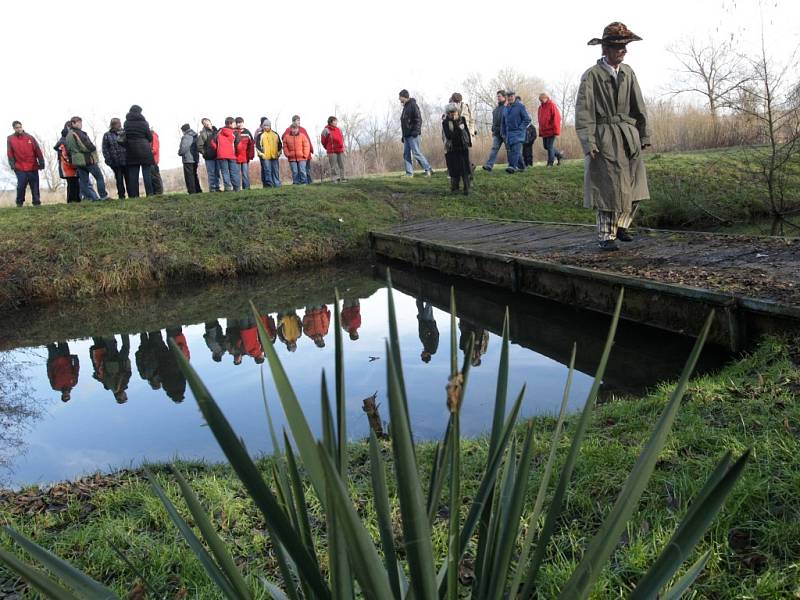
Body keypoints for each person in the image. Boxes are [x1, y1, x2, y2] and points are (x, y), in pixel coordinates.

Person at [576, 22, 650, 251]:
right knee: (607, 187)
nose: (624, 51)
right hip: (604, 136)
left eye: (625, 46)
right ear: (605, 49)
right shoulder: (592, 76)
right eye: (619, 47)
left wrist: (644, 135)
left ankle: (622, 225)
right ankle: (606, 236)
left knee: (636, 185)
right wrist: (589, 143)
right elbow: (584, 111)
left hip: (629, 136)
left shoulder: (628, 73)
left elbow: (639, 106)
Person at [65, 117, 109, 200]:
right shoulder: (78, 133)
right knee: (99, 177)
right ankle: (103, 196)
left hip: (77, 161)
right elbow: (84, 146)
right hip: (86, 159)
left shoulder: (68, 135)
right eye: (78, 122)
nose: (80, 124)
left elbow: (68, 150)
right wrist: (93, 148)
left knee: (83, 181)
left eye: (80, 122)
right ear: (73, 123)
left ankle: (89, 198)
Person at [7, 121, 44, 206]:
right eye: (17, 127)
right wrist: (12, 165)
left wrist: (41, 162)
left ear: (22, 127)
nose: (19, 129)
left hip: (32, 166)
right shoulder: (10, 139)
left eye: (20, 127)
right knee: (21, 186)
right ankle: (19, 203)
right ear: (14, 128)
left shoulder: (30, 137)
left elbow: (37, 150)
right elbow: (10, 153)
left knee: (34, 186)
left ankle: (36, 202)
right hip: (20, 167)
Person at [122, 105, 155, 197]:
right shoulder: (144, 123)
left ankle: (134, 195)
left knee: (133, 175)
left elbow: (125, 137)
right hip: (144, 150)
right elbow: (150, 137)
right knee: (146, 173)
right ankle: (150, 193)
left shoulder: (126, 123)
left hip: (131, 150)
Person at [399, 89, 433, 177]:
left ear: (404, 97)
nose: (399, 99)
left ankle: (428, 169)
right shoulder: (405, 107)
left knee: (416, 153)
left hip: (413, 135)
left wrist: (416, 131)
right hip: (406, 136)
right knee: (406, 154)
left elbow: (418, 119)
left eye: (400, 97)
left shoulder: (413, 105)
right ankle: (409, 173)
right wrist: (403, 136)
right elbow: (404, 123)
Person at [89, 335, 131, 404]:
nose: (126, 396)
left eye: (124, 398)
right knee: (124, 347)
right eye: (126, 397)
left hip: (113, 363)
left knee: (113, 345)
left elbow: (109, 375)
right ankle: (122, 332)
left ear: (119, 397)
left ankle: (109, 333)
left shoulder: (113, 388)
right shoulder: (122, 386)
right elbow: (128, 374)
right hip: (120, 363)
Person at [442, 103, 472, 195]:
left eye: (454, 112)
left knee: (465, 169)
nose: (453, 114)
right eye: (450, 112)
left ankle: (467, 188)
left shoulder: (462, 119)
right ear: (448, 113)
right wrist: (456, 126)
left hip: (463, 147)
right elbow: (449, 136)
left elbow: (466, 130)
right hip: (452, 149)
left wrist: (469, 142)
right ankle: (455, 188)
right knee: (454, 169)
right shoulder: (445, 122)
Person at [500, 91, 531, 173]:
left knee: (515, 150)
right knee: (514, 151)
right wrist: (503, 132)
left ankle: (512, 166)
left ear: (514, 97)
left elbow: (527, 119)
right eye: (508, 96)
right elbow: (503, 122)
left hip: (518, 133)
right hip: (509, 134)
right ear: (507, 97)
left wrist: (520, 128)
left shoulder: (520, 106)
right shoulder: (506, 108)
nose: (510, 98)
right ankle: (522, 167)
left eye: (511, 96)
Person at [102, 118, 129, 199]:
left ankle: (132, 195)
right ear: (113, 125)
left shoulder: (124, 133)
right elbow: (105, 149)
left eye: (120, 123)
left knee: (128, 179)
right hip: (115, 162)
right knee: (119, 179)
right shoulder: (107, 135)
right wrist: (108, 160)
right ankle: (121, 196)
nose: (119, 125)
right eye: (118, 123)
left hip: (126, 160)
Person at [54, 123, 80, 203]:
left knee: (74, 183)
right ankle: (72, 200)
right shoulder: (64, 143)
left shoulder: (64, 142)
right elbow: (65, 156)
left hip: (68, 166)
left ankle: (76, 199)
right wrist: (74, 164)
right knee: (72, 183)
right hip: (67, 166)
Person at [284, 116, 314, 183]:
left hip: (303, 156)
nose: (299, 122)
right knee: (295, 171)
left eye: (299, 120)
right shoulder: (287, 134)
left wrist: (307, 152)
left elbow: (307, 143)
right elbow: (284, 144)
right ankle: (296, 183)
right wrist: (288, 154)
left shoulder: (302, 132)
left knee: (304, 170)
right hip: (292, 157)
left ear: (298, 129)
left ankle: (305, 183)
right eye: (297, 120)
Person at [483, 90, 508, 172]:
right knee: (494, 149)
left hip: (506, 132)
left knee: (509, 149)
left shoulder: (508, 107)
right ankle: (489, 165)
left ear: (504, 97)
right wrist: (493, 130)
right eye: (497, 96)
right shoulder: (496, 109)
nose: (498, 98)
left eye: (499, 96)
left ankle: (513, 165)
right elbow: (494, 121)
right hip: (497, 133)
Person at [213, 117, 240, 192]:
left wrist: (218, 149)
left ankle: (228, 188)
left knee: (225, 172)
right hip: (232, 155)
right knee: (234, 172)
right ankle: (236, 188)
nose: (235, 124)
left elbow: (213, 142)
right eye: (234, 123)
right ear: (230, 123)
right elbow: (238, 144)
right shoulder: (235, 132)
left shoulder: (219, 131)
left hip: (221, 155)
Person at [538, 93, 564, 167]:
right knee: (546, 146)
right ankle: (559, 155)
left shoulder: (552, 105)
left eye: (542, 99)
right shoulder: (540, 107)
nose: (541, 101)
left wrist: (556, 130)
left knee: (549, 146)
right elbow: (540, 119)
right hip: (544, 130)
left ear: (546, 98)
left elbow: (556, 118)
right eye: (540, 100)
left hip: (551, 130)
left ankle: (550, 163)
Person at [255, 118, 282, 187]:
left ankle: (277, 184)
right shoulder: (260, 135)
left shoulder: (275, 134)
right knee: (267, 171)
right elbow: (258, 146)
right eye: (265, 126)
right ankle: (269, 185)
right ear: (263, 126)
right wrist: (262, 154)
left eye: (267, 125)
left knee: (275, 171)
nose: (266, 127)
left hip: (275, 156)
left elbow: (280, 144)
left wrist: (278, 153)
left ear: (270, 126)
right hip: (265, 157)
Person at [197, 118, 221, 192]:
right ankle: (212, 189)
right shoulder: (203, 133)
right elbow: (199, 146)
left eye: (207, 121)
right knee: (211, 173)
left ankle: (218, 187)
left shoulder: (217, 131)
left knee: (217, 173)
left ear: (210, 122)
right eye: (204, 123)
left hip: (218, 155)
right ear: (203, 125)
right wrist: (205, 153)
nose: (206, 123)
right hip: (209, 158)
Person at [320, 116, 346, 182]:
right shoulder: (326, 130)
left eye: (336, 121)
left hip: (340, 150)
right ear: (330, 122)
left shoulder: (339, 129)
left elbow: (342, 139)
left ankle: (342, 178)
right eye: (334, 121)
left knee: (342, 165)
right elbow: (323, 141)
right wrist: (328, 147)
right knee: (333, 166)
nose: (336, 122)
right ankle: (335, 179)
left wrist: (343, 147)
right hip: (332, 151)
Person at [178, 124, 202, 194]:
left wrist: (180, 152)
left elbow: (184, 148)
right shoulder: (195, 135)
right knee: (194, 174)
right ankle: (198, 190)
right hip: (195, 158)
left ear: (183, 130)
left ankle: (192, 191)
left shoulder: (186, 136)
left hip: (188, 159)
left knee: (189, 176)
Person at [234, 117, 254, 190]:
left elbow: (251, 144)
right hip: (236, 157)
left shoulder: (247, 132)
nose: (239, 124)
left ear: (243, 123)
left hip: (245, 157)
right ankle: (237, 188)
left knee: (245, 173)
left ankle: (247, 187)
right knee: (236, 174)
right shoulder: (234, 132)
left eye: (241, 122)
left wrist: (250, 155)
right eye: (238, 122)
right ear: (235, 124)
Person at [416, 298, 438, 363]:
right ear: (427, 355)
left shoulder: (426, 347)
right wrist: (430, 326)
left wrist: (419, 320)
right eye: (422, 356)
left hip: (422, 321)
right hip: (428, 322)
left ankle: (421, 290)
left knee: (418, 302)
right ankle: (430, 290)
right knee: (428, 303)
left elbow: (422, 332)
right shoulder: (432, 349)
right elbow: (436, 334)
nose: (421, 354)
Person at [150, 129, 163, 195]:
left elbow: (155, 149)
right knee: (153, 177)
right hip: (152, 160)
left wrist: (147, 153)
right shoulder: (152, 136)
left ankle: (159, 192)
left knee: (155, 177)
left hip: (154, 160)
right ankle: (157, 192)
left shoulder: (153, 136)